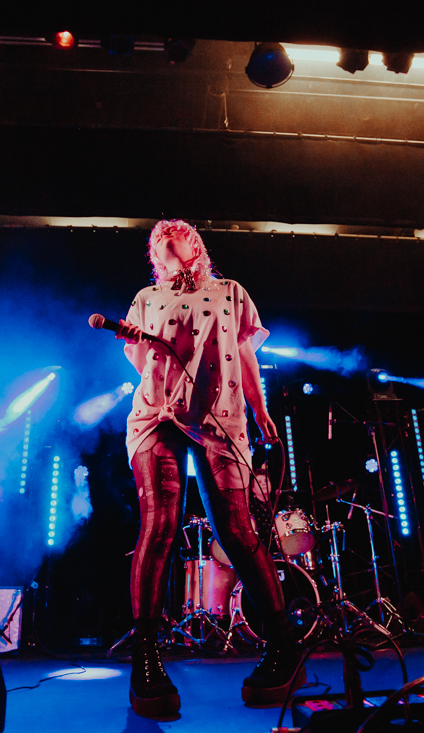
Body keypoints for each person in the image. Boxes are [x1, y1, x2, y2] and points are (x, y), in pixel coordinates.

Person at [116, 220, 305, 717]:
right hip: (158, 415)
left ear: (195, 244)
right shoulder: (146, 298)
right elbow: (143, 362)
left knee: (239, 532)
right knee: (159, 525)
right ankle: (147, 661)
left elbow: (243, 350)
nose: (165, 236)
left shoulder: (231, 292)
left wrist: (261, 408)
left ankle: (285, 647)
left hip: (220, 417)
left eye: (175, 232)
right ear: (155, 254)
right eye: (158, 237)